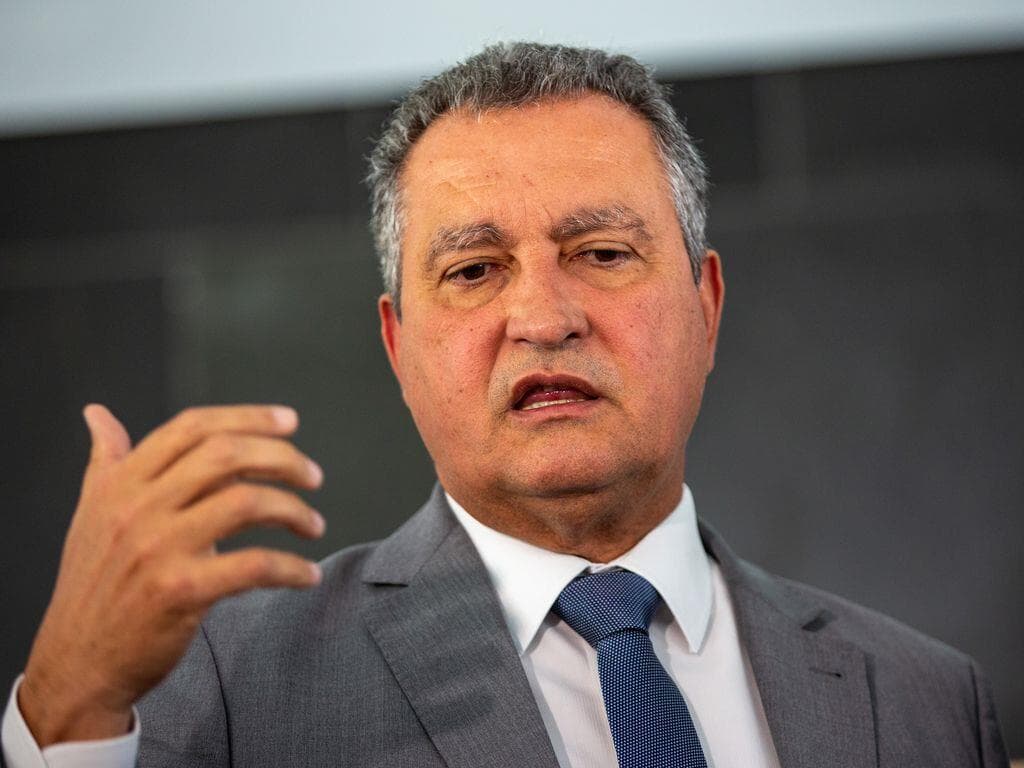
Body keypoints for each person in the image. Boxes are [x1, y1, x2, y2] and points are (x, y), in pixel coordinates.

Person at [1, 41, 1009, 768]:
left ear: (705, 307)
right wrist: (67, 704)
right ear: (399, 347)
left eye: (601, 253)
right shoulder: (219, 686)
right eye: (475, 269)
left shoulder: (924, 703)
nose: (543, 317)